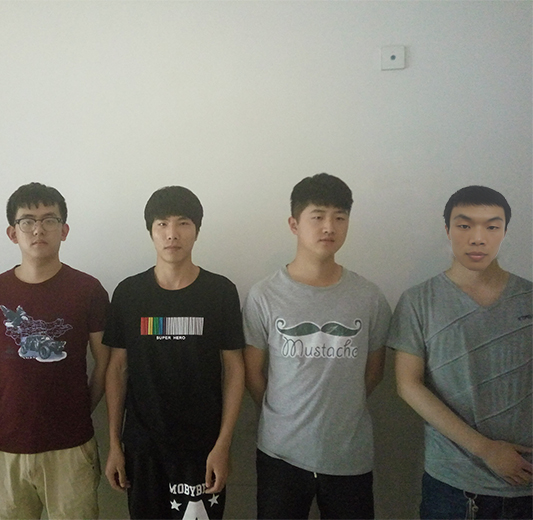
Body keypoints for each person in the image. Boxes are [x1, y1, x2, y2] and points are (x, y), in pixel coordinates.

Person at [243, 173, 391, 519]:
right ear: (294, 224)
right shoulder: (264, 295)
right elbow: (252, 374)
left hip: (348, 455)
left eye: (340, 217)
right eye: (318, 216)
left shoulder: (369, 297)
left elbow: (373, 372)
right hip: (280, 453)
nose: (329, 227)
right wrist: (285, 415)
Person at [387, 185, 532, 520]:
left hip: (526, 484)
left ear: (505, 233)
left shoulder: (528, 296)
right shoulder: (418, 301)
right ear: (448, 230)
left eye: (491, 227)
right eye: (465, 225)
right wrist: (486, 450)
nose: (477, 238)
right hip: (453, 486)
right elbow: (408, 385)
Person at [103, 185, 245, 519]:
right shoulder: (129, 293)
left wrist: (223, 444)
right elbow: (117, 369)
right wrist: (114, 444)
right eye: (162, 224)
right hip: (143, 446)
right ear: (150, 231)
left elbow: (234, 369)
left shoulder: (220, 292)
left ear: (196, 230)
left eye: (183, 223)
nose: (172, 234)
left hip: (202, 447)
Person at [0, 182, 110, 519]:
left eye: (49, 220)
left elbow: (105, 363)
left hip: (72, 445)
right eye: (27, 221)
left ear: (64, 230)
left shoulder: (88, 290)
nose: (38, 229)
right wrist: (14, 398)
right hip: (7, 444)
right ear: (12, 232)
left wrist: (83, 406)